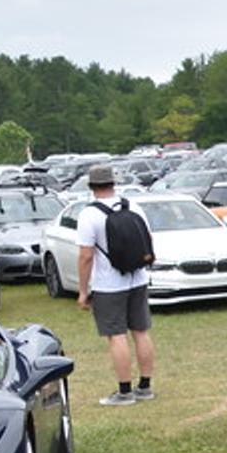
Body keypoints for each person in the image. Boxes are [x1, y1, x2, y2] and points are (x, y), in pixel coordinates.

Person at [74, 164, 157, 405]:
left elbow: (86, 256)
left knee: (116, 335)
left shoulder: (89, 215)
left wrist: (82, 291)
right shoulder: (134, 206)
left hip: (109, 284)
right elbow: (148, 240)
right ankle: (145, 386)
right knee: (141, 331)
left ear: (91, 187)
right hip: (138, 278)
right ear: (114, 183)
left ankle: (124, 391)